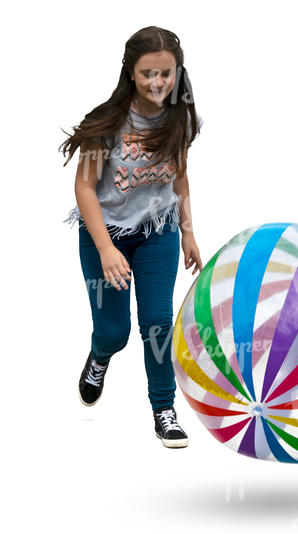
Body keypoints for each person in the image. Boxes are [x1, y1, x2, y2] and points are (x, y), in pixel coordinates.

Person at [60, 26, 204, 447]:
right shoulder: (109, 123)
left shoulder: (182, 117)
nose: (157, 83)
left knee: (158, 322)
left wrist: (189, 232)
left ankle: (164, 409)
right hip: (106, 234)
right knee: (114, 332)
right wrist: (105, 247)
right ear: (130, 73)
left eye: (165, 73)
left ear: (177, 71)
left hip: (158, 230)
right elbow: (84, 187)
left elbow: (180, 180)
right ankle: (99, 356)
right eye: (147, 74)